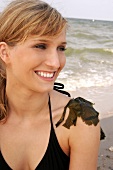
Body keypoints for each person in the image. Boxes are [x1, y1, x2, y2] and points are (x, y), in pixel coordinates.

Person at [0, 0, 105, 169]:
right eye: (40, 46)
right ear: (5, 52)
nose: (56, 63)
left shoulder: (78, 121)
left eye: (61, 48)